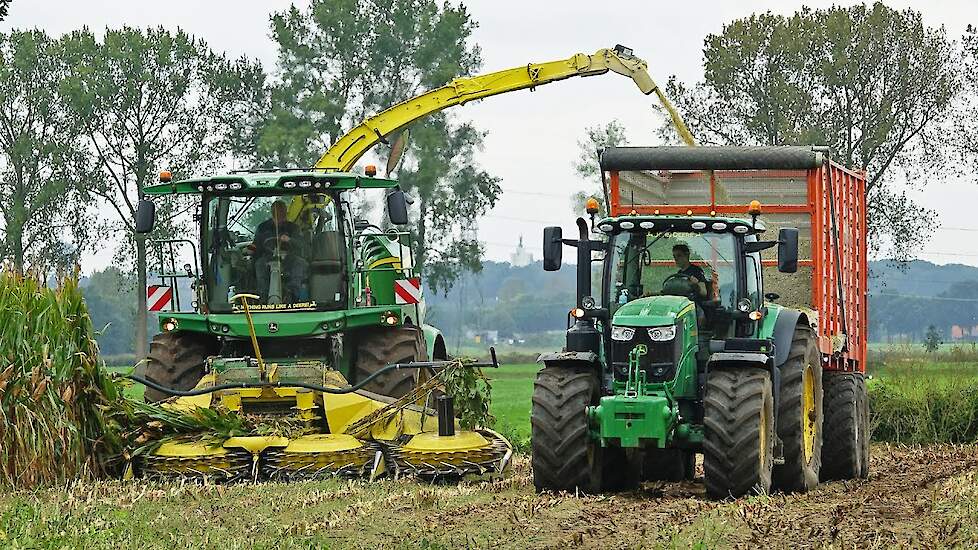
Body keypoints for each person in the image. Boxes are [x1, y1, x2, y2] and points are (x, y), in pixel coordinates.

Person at [252, 200, 309, 303]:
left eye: (282, 212)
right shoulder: (263, 228)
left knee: (299, 263)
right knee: (259, 264)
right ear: (272, 212)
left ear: (285, 212)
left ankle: (292, 295)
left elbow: (301, 245)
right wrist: (249, 249)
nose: (279, 215)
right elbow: (256, 245)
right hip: (268, 258)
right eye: (277, 212)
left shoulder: (293, 228)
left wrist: (290, 240)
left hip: (288, 259)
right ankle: (263, 296)